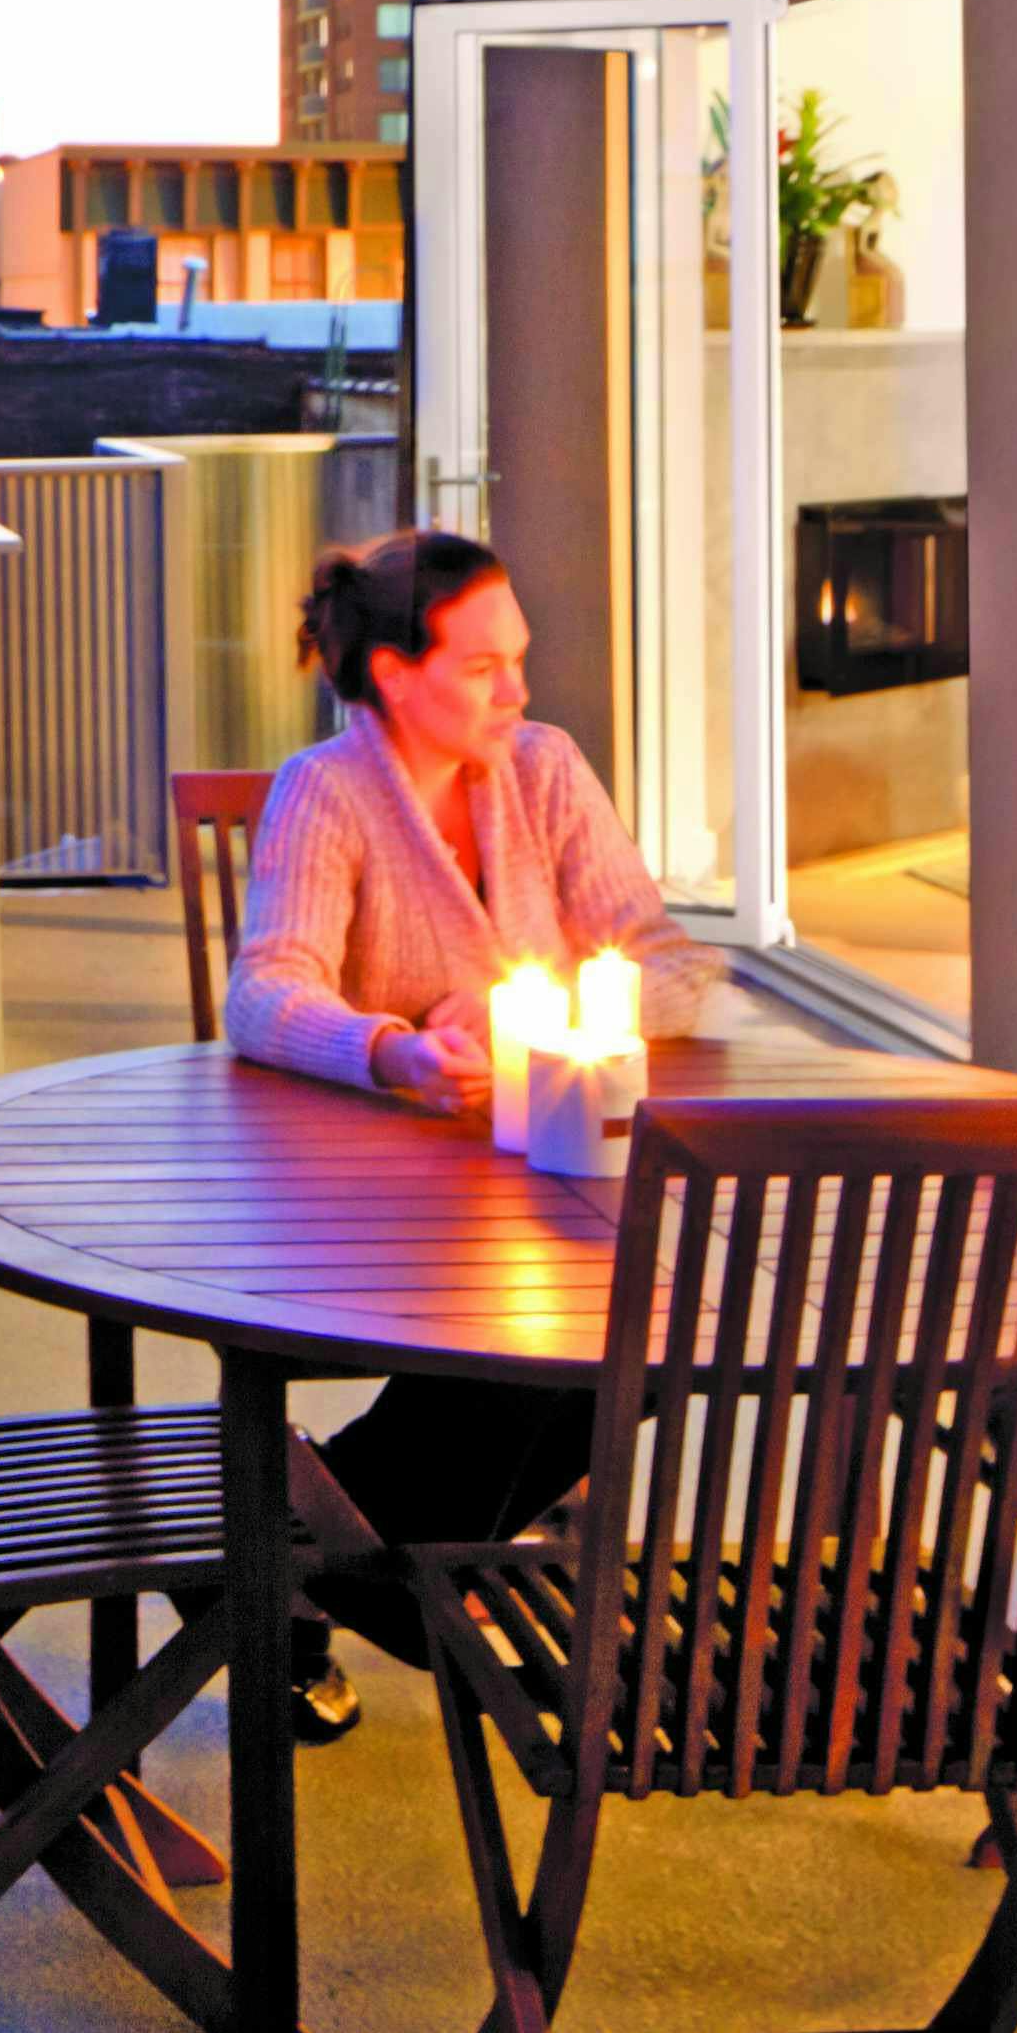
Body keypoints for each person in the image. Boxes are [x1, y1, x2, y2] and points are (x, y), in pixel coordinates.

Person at [226, 528, 722, 1729]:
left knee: (664, 1319)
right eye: (485, 666)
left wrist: (521, 1014)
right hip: (366, 1200)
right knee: (558, 1332)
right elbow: (266, 992)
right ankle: (383, 1563)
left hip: (542, 1172)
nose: (520, 689)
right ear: (396, 674)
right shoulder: (327, 793)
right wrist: (391, 1050)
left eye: (520, 660)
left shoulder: (546, 772)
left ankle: (312, 1540)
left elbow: (674, 967)